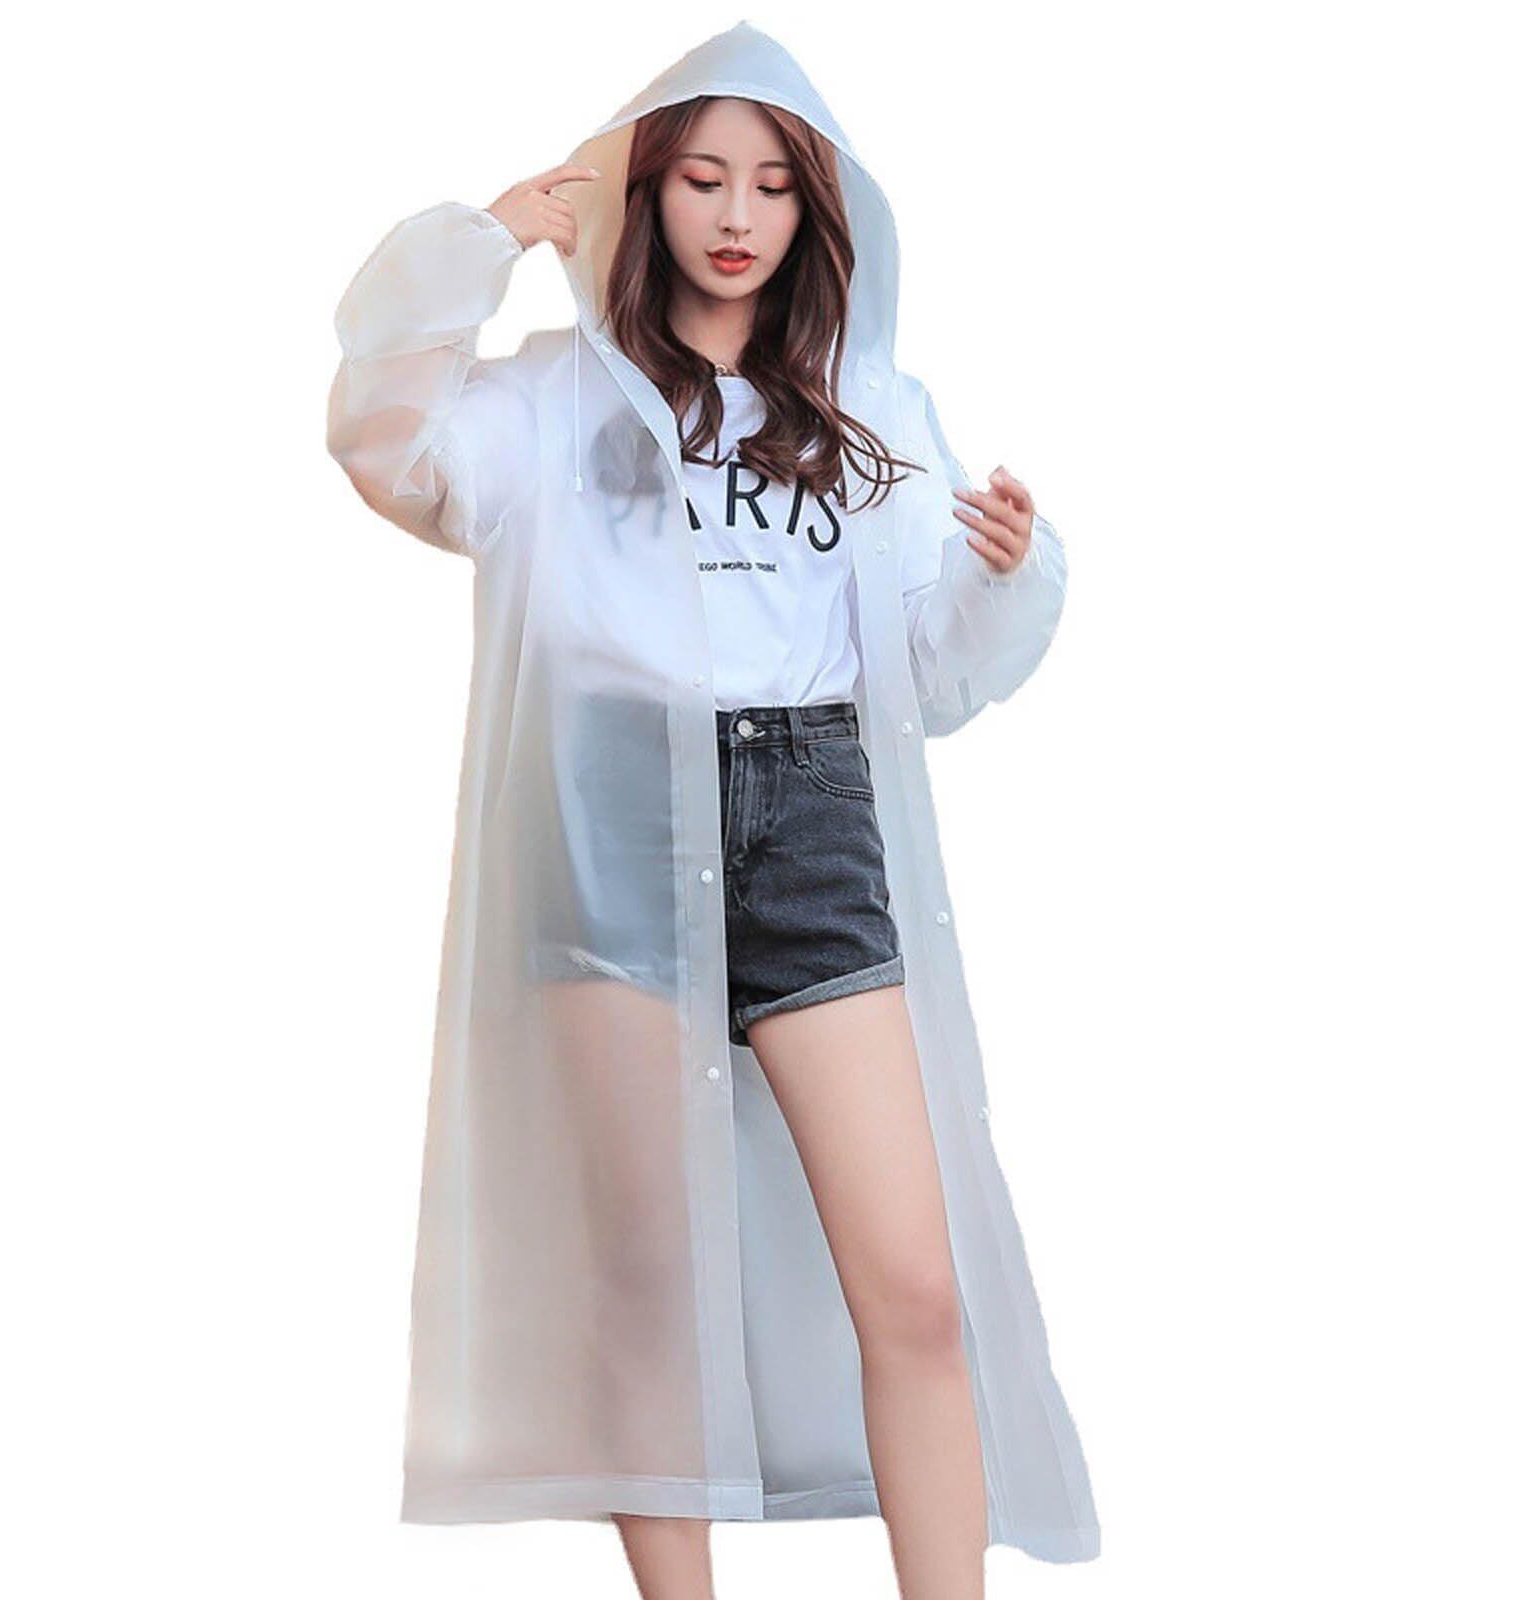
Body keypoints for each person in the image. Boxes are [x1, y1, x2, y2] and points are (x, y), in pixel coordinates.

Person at [326, 22, 1098, 1600]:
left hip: (811, 815)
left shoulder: (872, 409)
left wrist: (1009, 575)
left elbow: (930, 675)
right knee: (647, 1280)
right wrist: (480, 245)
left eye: (771, 185)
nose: (736, 215)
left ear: (817, 209)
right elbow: (385, 441)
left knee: (915, 1286)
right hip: (612, 811)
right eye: (700, 179)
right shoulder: (550, 404)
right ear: (646, 192)